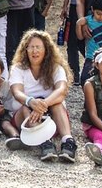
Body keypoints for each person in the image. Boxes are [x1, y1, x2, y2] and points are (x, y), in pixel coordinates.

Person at [9, 30, 76, 162]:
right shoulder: (18, 68)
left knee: (57, 103)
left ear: (46, 49)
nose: (35, 51)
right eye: (31, 47)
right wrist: (31, 101)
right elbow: (17, 92)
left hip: (51, 113)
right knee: (25, 107)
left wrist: (43, 104)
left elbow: (62, 90)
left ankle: (68, 141)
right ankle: (44, 143)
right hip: (25, 116)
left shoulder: (56, 68)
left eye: (38, 47)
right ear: (25, 49)